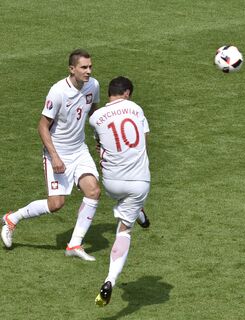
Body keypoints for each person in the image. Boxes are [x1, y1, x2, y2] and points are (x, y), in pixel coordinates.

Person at [1, 49, 101, 261]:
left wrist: (102, 137)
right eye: (84, 67)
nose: (88, 71)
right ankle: (12, 218)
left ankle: (74, 244)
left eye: (90, 66)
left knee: (93, 191)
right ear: (72, 69)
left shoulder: (94, 86)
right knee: (56, 204)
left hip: (80, 150)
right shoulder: (58, 92)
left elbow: (94, 111)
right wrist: (55, 156)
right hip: (58, 153)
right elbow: (42, 126)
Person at [91, 76, 151, 306]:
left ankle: (140, 212)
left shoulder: (96, 118)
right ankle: (110, 279)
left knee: (127, 201)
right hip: (138, 181)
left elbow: (99, 145)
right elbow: (143, 140)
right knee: (124, 231)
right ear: (126, 93)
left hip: (111, 183)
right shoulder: (136, 109)